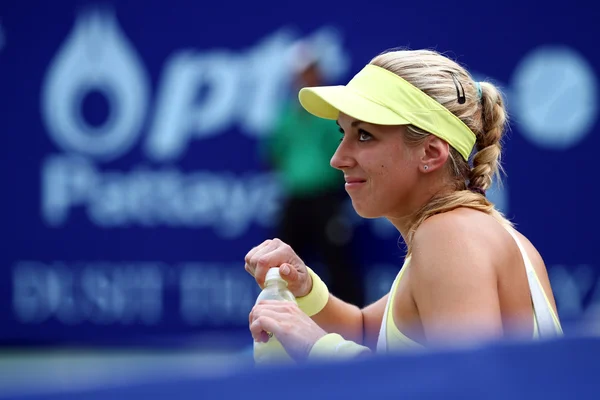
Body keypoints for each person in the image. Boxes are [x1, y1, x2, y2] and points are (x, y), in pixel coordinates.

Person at [244, 48, 563, 362]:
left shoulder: (451, 238)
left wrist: (316, 347)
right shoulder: (460, 233)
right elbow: (368, 330)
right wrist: (305, 288)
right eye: (343, 133)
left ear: (430, 153)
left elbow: (471, 386)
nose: (338, 158)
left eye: (365, 135)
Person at [259, 45, 365, 307]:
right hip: (295, 199)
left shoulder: (331, 115)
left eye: (311, 71)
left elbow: (344, 154)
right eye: (302, 73)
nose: (307, 77)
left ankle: (353, 322)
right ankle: (282, 315)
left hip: (326, 199)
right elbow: (273, 152)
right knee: (282, 264)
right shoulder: (286, 116)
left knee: (338, 263)